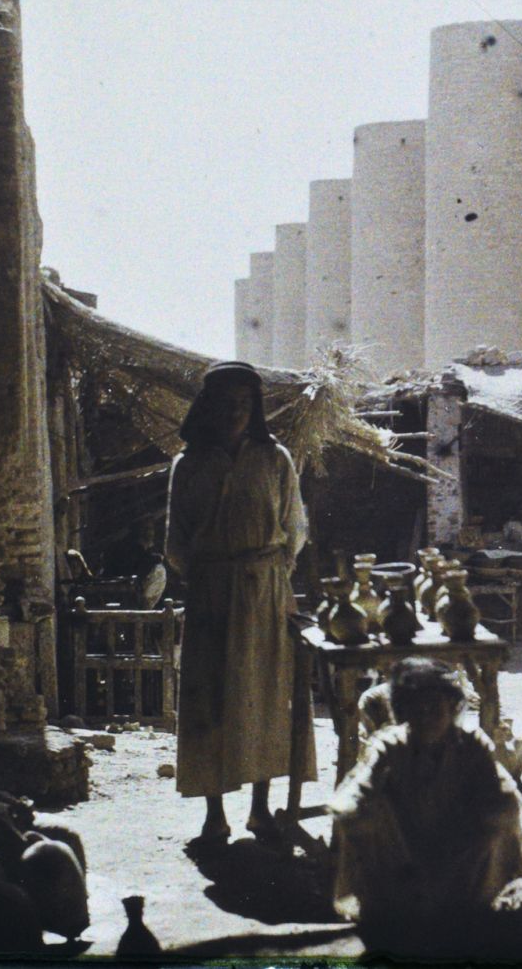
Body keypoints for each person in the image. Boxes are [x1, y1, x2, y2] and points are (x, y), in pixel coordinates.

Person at [164, 361, 314, 845]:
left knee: (264, 697)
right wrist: (211, 575)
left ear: (255, 409)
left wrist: (269, 578)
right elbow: (176, 543)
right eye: (226, 404)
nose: (235, 413)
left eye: (245, 405)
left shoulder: (275, 460)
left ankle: (259, 810)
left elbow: (294, 530)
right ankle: (215, 815)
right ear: (208, 408)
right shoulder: (188, 466)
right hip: (210, 593)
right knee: (210, 699)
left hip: (265, 591)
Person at [331, 660, 522, 962]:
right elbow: (356, 794)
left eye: (434, 708)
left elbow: (500, 798)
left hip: (459, 858)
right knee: (367, 815)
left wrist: (475, 825)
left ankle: (467, 914)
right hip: (405, 860)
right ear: (403, 713)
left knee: (500, 819)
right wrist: (356, 810)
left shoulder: (472, 746)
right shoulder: (389, 747)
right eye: (417, 710)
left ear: (452, 707)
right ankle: (403, 921)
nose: (427, 717)